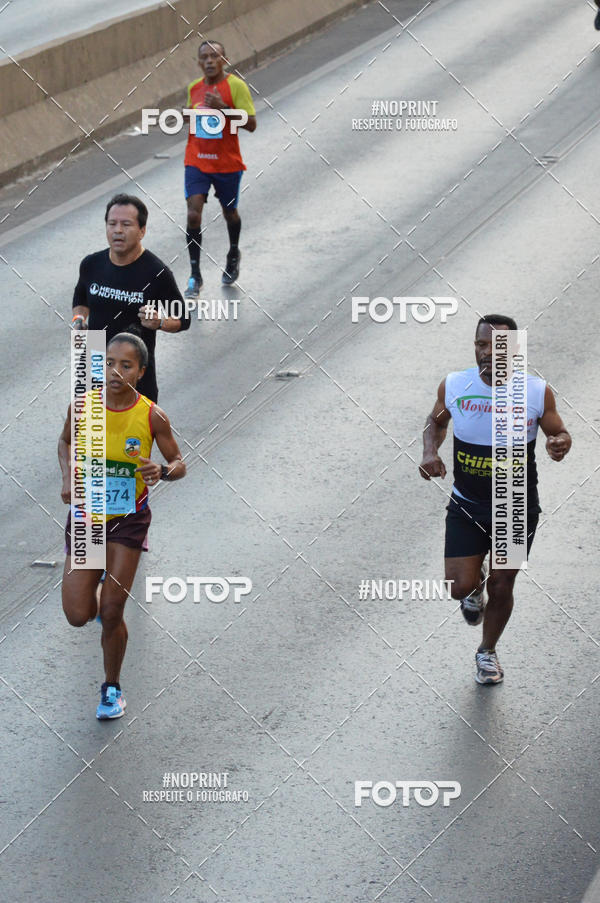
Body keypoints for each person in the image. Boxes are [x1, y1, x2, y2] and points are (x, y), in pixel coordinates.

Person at [419, 315, 571, 685]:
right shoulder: (456, 384)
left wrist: (559, 443)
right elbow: (436, 422)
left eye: (497, 346)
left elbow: (558, 431)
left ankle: (486, 651)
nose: (487, 353)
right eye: (480, 345)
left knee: (503, 584)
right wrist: (429, 452)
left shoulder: (536, 391)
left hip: (515, 505)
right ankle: (472, 589)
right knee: (458, 586)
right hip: (467, 503)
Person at [59, 333, 186, 719]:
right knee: (79, 614)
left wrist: (162, 471)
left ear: (141, 371)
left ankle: (111, 688)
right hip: (86, 517)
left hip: (128, 520)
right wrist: (67, 477)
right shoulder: (83, 406)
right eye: (109, 362)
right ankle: (100, 584)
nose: (115, 371)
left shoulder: (151, 415)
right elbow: (65, 443)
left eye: (126, 365)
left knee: (112, 612)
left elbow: (180, 461)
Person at [72, 193, 191, 403]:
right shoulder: (91, 264)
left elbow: (183, 319)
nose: (118, 230)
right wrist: (79, 321)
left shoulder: (157, 272)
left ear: (142, 231)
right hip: (93, 363)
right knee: (87, 434)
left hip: (134, 372)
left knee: (132, 436)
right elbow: (81, 298)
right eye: (112, 223)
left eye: (126, 224)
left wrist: (160, 322)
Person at [184, 39, 257, 297]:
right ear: (199, 63)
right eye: (204, 57)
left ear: (224, 60)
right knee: (193, 215)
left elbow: (251, 124)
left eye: (215, 56)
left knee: (230, 213)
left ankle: (233, 252)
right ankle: (195, 274)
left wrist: (223, 109)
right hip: (197, 161)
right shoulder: (194, 88)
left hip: (226, 163)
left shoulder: (236, 86)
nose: (210, 61)